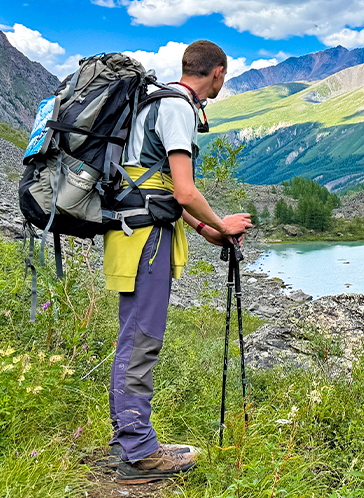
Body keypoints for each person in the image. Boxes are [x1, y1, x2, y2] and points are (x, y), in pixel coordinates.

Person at [102, 40, 253, 484]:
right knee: (143, 339)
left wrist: (205, 230)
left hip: (134, 233)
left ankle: (128, 440)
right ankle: (139, 452)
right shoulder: (178, 108)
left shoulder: (155, 101)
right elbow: (184, 190)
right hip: (146, 239)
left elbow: (159, 186)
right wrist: (223, 225)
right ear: (218, 73)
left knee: (133, 336)